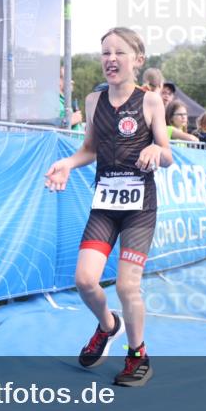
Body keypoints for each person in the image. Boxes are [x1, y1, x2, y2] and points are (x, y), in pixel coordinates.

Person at [45, 27, 172, 387]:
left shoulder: (150, 101)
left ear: (138, 60)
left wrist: (156, 150)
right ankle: (107, 325)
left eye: (119, 53)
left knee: (127, 287)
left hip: (139, 208)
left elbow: (168, 155)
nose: (111, 59)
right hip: (105, 205)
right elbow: (89, 149)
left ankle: (137, 356)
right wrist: (68, 163)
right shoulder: (93, 101)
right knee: (85, 281)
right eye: (105, 53)